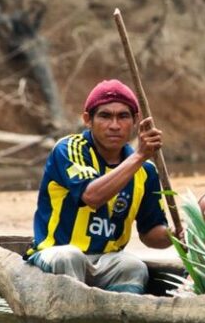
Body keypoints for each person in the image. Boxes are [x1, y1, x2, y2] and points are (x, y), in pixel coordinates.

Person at [25, 79, 173, 294]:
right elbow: (92, 196)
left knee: (133, 266)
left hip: (107, 261)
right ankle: (71, 318)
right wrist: (140, 155)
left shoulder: (146, 171)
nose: (115, 125)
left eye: (123, 116)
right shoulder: (69, 149)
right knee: (70, 256)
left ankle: (122, 317)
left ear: (135, 121)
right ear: (88, 120)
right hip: (55, 255)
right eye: (105, 116)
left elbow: (151, 234)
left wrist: (178, 235)